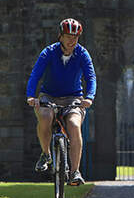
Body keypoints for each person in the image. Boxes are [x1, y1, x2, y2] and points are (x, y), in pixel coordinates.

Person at [26, 18, 96, 186]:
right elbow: (35, 75)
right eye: (68, 36)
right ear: (60, 36)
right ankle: (46, 154)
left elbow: (91, 77)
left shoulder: (82, 54)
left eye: (75, 37)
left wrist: (89, 97)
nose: (72, 40)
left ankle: (75, 172)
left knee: (73, 124)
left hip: (74, 97)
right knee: (45, 116)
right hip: (49, 96)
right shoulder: (49, 52)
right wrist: (31, 96)